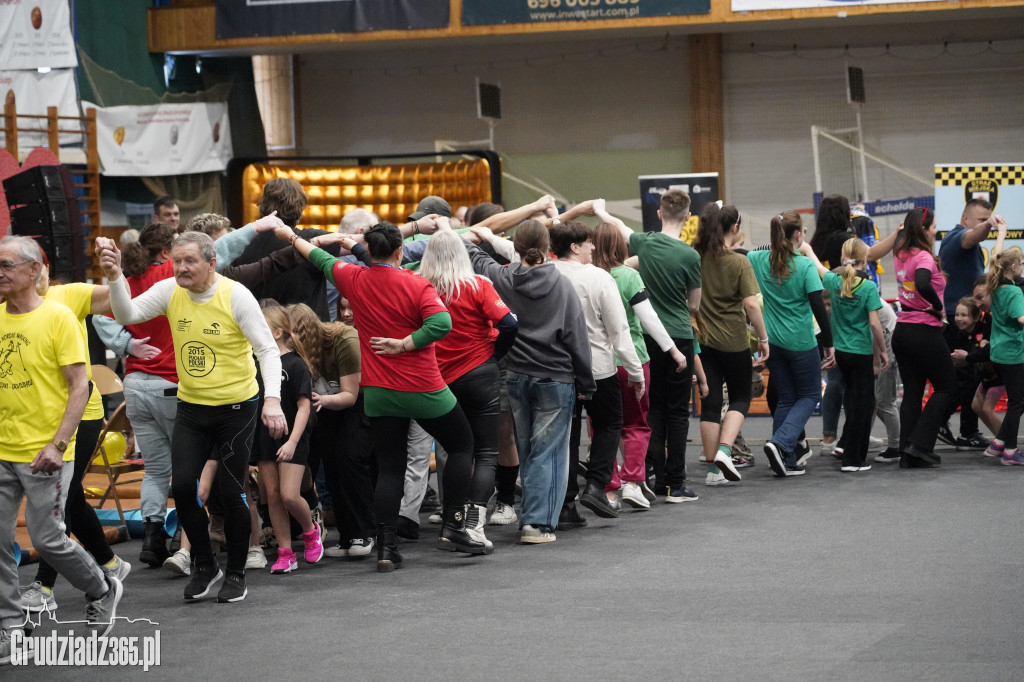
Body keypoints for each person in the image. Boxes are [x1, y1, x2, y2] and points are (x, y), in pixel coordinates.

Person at [285, 221, 486, 570]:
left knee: (390, 467)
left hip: (378, 392)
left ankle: (386, 548)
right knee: (462, 445)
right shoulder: (417, 282)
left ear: (369, 250)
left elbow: (318, 256)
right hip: (423, 387)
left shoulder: (355, 279)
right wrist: (406, 343)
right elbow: (441, 323)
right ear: (400, 251)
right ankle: (454, 523)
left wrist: (288, 236)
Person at [99, 231, 285, 603]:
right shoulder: (171, 290)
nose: (181, 268)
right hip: (192, 407)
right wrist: (115, 276)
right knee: (183, 488)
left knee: (230, 492)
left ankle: (235, 572)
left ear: (212, 263)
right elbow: (127, 314)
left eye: (190, 262)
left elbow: (267, 350)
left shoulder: (236, 296)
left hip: (236, 408)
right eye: (177, 261)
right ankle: (204, 564)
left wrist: (272, 401)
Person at [1, 236, 124, 660]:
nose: (0, 272)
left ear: (34, 270)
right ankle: (10, 625)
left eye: (7, 264)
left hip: (45, 449)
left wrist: (58, 444)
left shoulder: (58, 316)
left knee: (48, 538)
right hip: (3, 447)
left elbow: (80, 387)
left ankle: (102, 585)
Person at [466, 220, 593, 544]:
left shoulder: (504, 279)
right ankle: (536, 524)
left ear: (517, 247)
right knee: (548, 453)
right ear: (547, 245)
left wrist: (469, 234)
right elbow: (577, 337)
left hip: (517, 376)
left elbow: (476, 258)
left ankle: (532, 519)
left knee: (528, 449)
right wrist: (586, 382)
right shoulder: (561, 285)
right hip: (556, 377)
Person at [19, 269, 131, 614]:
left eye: (34, 264)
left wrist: (115, 272)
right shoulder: (11, 309)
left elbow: (123, 303)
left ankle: (44, 586)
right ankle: (111, 564)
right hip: (38, 419)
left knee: (61, 498)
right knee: (73, 494)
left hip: (80, 415)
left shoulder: (69, 295)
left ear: (44, 269)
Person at [419, 224, 518, 550]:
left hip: (438, 379)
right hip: (480, 375)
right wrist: (495, 354)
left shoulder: (419, 288)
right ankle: (473, 521)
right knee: (486, 453)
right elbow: (509, 323)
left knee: (454, 450)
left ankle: (453, 521)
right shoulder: (477, 285)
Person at [591, 206, 687, 506]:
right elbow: (649, 319)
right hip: (631, 360)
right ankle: (634, 480)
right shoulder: (629, 277)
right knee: (636, 424)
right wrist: (673, 349)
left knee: (602, 427)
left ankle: (608, 486)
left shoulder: (588, 276)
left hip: (596, 364)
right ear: (622, 246)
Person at [549, 219, 645, 517]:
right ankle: (595, 485)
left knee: (567, 434)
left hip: (556, 366)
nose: (593, 247)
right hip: (598, 367)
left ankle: (566, 505)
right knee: (610, 424)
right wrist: (636, 371)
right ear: (575, 247)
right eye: (588, 242)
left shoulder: (547, 274)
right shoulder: (600, 278)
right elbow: (619, 331)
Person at [610, 189, 702, 500]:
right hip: (678, 335)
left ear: (659, 214)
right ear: (687, 217)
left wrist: (599, 210)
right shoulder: (691, 256)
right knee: (678, 412)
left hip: (648, 338)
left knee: (653, 409)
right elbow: (695, 304)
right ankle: (676, 484)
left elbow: (619, 228)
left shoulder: (644, 243)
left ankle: (655, 477)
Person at [749, 211, 834, 477]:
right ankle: (781, 443)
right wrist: (829, 343)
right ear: (798, 234)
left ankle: (784, 457)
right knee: (809, 395)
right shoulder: (806, 266)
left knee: (786, 398)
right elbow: (818, 306)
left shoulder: (759, 259)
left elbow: (748, 251)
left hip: (773, 342)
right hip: (800, 341)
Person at [689, 203, 767, 484]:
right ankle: (725, 450)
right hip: (734, 342)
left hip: (703, 341)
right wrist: (763, 337)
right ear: (734, 228)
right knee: (740, 398)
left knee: (709, 403)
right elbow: (751, 304)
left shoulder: (694, 258)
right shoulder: (739, 261)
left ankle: (712, 470)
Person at [288, 303, 373, 559]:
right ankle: (347, 536)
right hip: (324, 408)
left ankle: (364, 532)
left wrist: (322, 401)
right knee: (331, 466)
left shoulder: (344, 339)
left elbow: (350, 394)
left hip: (357, 405)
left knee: (350, 461)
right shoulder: (297, 352)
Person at [805, 238, 888, 472]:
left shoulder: (834, 281)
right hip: (861, 353)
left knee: (851, 401)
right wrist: (881, 351)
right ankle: (854, 460)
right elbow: (874, 324)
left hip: (841, 352)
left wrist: (807, 248)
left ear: (843, 259)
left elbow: (817, 266)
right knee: (863, 405)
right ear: (865, 260)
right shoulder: (869, 288)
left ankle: (846, 451)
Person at [255, 306, 323, 573]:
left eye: (262, 327)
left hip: (291, 436)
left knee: (289, 495)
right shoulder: (255, 362)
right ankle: (285, 552)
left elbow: (304, 407)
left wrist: (293, 441)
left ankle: (309, 531)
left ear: (278, 332)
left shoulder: (295, 365)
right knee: (271, 496)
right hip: (264, 436)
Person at [891, 207, 955, 468]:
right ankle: (919, 443)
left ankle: (907, 451)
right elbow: (922, 282)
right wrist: (938, 307)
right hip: (924, 331)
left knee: (913, 392)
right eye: (933, 227)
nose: (936, 231)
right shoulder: (925, 258)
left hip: (903, 331)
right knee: (947, 387)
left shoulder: (900, 253)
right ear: (924, 230)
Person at [981, 250, 1024, 464]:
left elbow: (997, 256)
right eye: (1022, 263)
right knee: (1017, 402)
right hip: (1013, 352)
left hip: (1000, 350)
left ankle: (999, 442)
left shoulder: (996, 287)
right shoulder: (1015, 293)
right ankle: (1010, 451)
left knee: (1019, 400)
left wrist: (1002, 233)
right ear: (1013, 267)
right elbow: (1022, 319)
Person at [937, 198, 1002, 323]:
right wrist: (988, 224)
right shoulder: (958, 238)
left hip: (967, 315)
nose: (987, 224)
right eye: (982, 220)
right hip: (957, 317)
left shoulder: (970, 244)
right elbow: (973, 235)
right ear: (965, 218)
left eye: (988, 219)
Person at [942, 297, 992, 450]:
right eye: (957, 315)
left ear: (975, 317)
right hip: (973, 372)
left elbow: (984, 353)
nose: (959, 319)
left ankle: (967, 432)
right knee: (965, 383)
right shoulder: (958, 332)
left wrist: (969, 357)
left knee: (970, 382)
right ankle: (966, 432)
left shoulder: (986, 327)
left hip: (992, 370)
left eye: (964, 315)